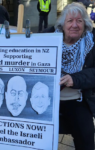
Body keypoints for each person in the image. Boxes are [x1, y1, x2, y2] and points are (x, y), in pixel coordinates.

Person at [44, 2, 95, 149]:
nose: (75, 25)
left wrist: (76, 79)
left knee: (86, 136)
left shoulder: (91, 43)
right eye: (70, 20)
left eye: (79, 21)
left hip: (77, 99)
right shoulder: (46, 38)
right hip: (48, 99)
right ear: (62, 24)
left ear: (85, 25)